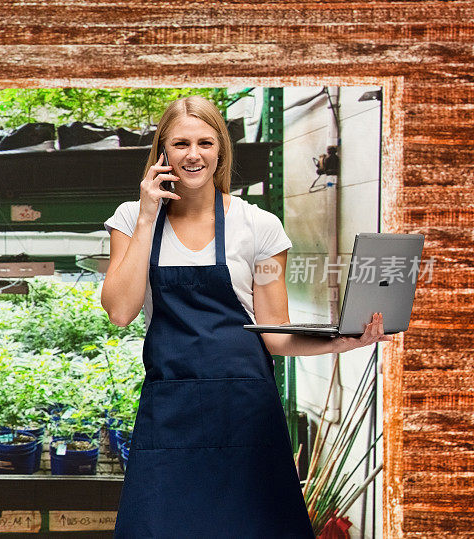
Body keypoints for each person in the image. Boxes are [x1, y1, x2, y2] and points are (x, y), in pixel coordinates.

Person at [101, 95, 393, 538]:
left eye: (205, 142)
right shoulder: (130, 219)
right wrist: (147, 216)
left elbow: (275, 335)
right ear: (162, 151)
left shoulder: (260, 227)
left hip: (246, 415)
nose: (193, 155)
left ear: (221, 150)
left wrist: (345, 340)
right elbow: (121, 311)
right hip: (170, 414)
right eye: (180, 144)